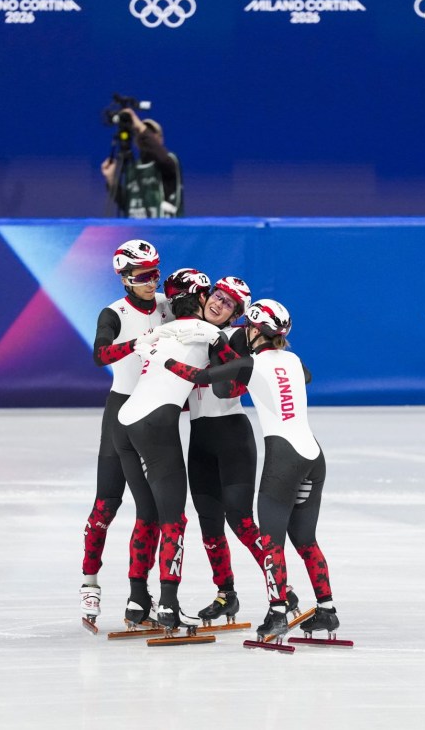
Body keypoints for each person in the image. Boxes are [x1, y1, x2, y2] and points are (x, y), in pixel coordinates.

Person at [165, 300, 341, 642]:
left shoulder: (249, 364)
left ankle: (277, 613)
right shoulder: (293, 360)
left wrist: (164, 357)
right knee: (305, 540)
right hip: (313, 455)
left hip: (284, 460)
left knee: (273, 542)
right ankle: (327, 609)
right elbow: (307, 376)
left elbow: (200, 377)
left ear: (254, 329)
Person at [184, 276, 299, 623]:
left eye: (229, 304)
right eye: (217, 297)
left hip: (232, 437)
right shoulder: (186, 333)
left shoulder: (237, 338)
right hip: (199, 439)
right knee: (209, 524)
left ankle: (283, 590)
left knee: (241, 520)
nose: (219, 304)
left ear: (238, 315)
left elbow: (236, 384)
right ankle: (226, 594)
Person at [115, 268, 222, 630]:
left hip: (125, 422)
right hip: (157, 426)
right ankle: (168, 606)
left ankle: (136, 600)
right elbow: (231, 372)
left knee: (147, 515)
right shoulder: (210, 332)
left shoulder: (158, 332)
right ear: (202, 297)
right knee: (173, 520)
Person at [79, 239, 172, 629]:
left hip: (159, 414)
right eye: (144, 276)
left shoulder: (169, 305)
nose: (153, 281)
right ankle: (90, 583)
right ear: (124, 278)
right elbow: (99, 355)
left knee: (151, 511)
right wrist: (136, 344)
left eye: (156, 272)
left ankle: (139, 596)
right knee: (107, 503)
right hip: (122, 411)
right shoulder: (113, 313)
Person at [101, 109, 183, 219]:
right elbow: (125, 204)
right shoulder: (132, 168)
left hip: (163, 230)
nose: (144, 136)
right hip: (136, 231)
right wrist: (111, 180)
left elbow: (162, 158)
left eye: (151, 133)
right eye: (139, 134)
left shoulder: (170, 161)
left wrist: (139, 126)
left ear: (161, 139)